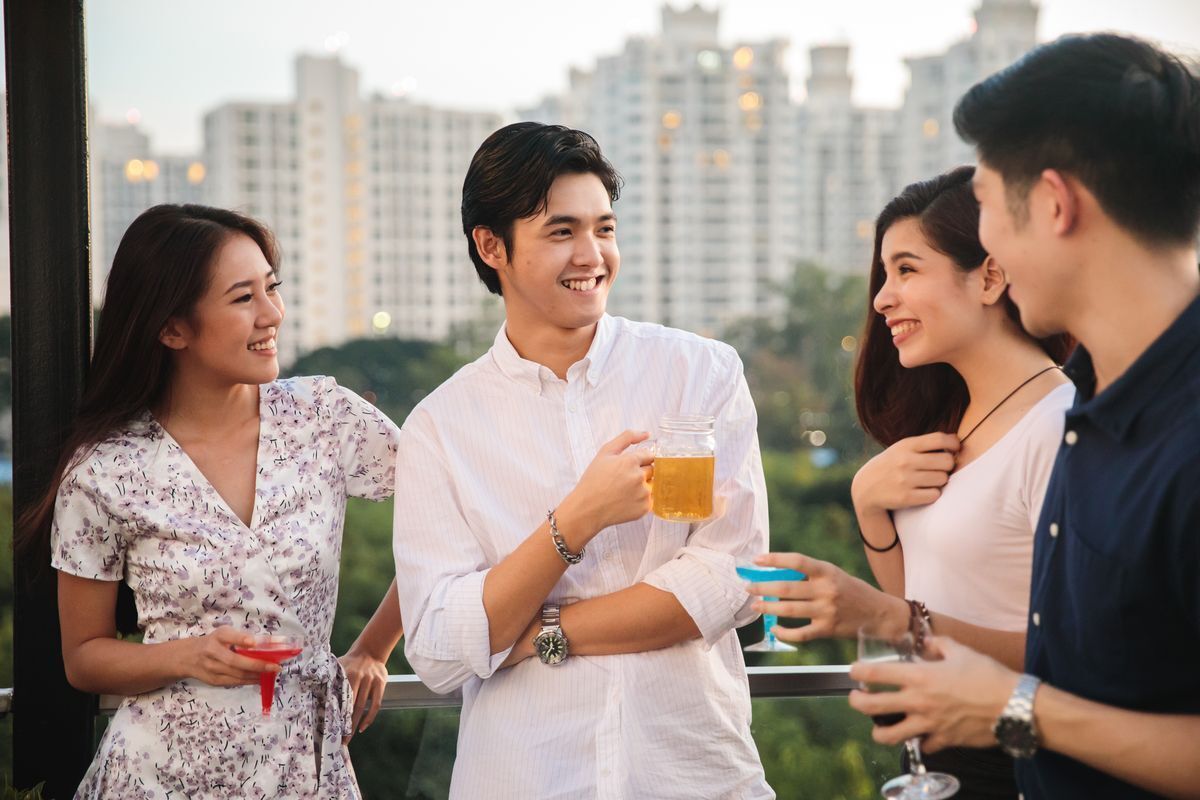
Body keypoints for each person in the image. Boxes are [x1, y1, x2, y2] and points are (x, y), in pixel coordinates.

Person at [847, 33, 1200, 799]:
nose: (989, 246)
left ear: (1052, 203)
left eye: (982, 206)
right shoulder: (1093, 409)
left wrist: (1013, 710)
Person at [392, 122, 773, 798]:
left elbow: (733, 578)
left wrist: (534, 631)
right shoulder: (439, 430)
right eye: (562, 232)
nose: (592, 254)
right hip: (523, 778)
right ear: (491, 247)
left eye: (605, 228)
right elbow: (442, 650)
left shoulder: (700, 372)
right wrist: (577, 521)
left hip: (694, 773)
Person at [18, 204, 405, 798]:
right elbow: (85, 658)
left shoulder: (324, 417)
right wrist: (190, 656)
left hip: (309, 773)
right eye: (242, 297)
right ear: (173, 328)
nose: (272, 313)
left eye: (271, 289)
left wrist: (373, 648)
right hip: (157, 776)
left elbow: (453, 518)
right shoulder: (105, 471)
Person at [750, 166, 1073, 798]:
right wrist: (870, 509)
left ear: (988, 275)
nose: (881, 297)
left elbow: (1069, 654)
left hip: (1019, 759)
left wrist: (884, 616)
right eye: (884, 273)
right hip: (937, 750)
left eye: (907, 269)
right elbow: (928, 601)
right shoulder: (955, 423)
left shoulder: (1057, 427)